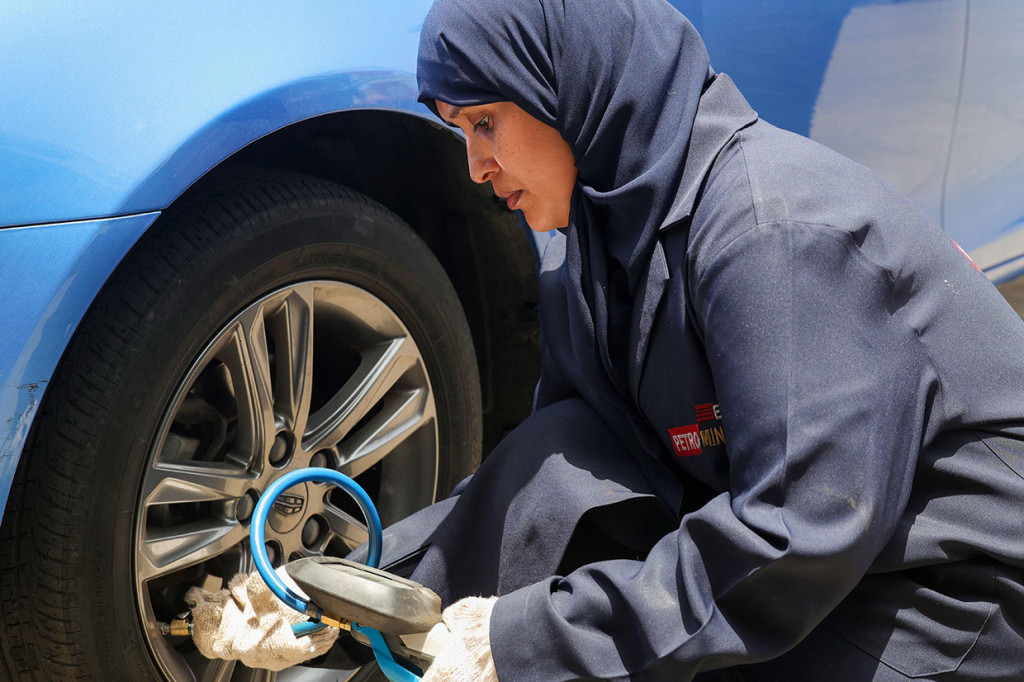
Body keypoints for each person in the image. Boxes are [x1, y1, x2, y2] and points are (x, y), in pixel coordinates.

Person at [190, 0, 1024, 679]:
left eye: (486, 121)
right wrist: (345, 595)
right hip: (822, 561)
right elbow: (558, 478)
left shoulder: (775, 235)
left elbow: (796, 537)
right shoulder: (600, 246)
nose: (475, 166)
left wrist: (519, 642)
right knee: (566, 449)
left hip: (952, 595)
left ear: (571, 88)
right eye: (460, 129)